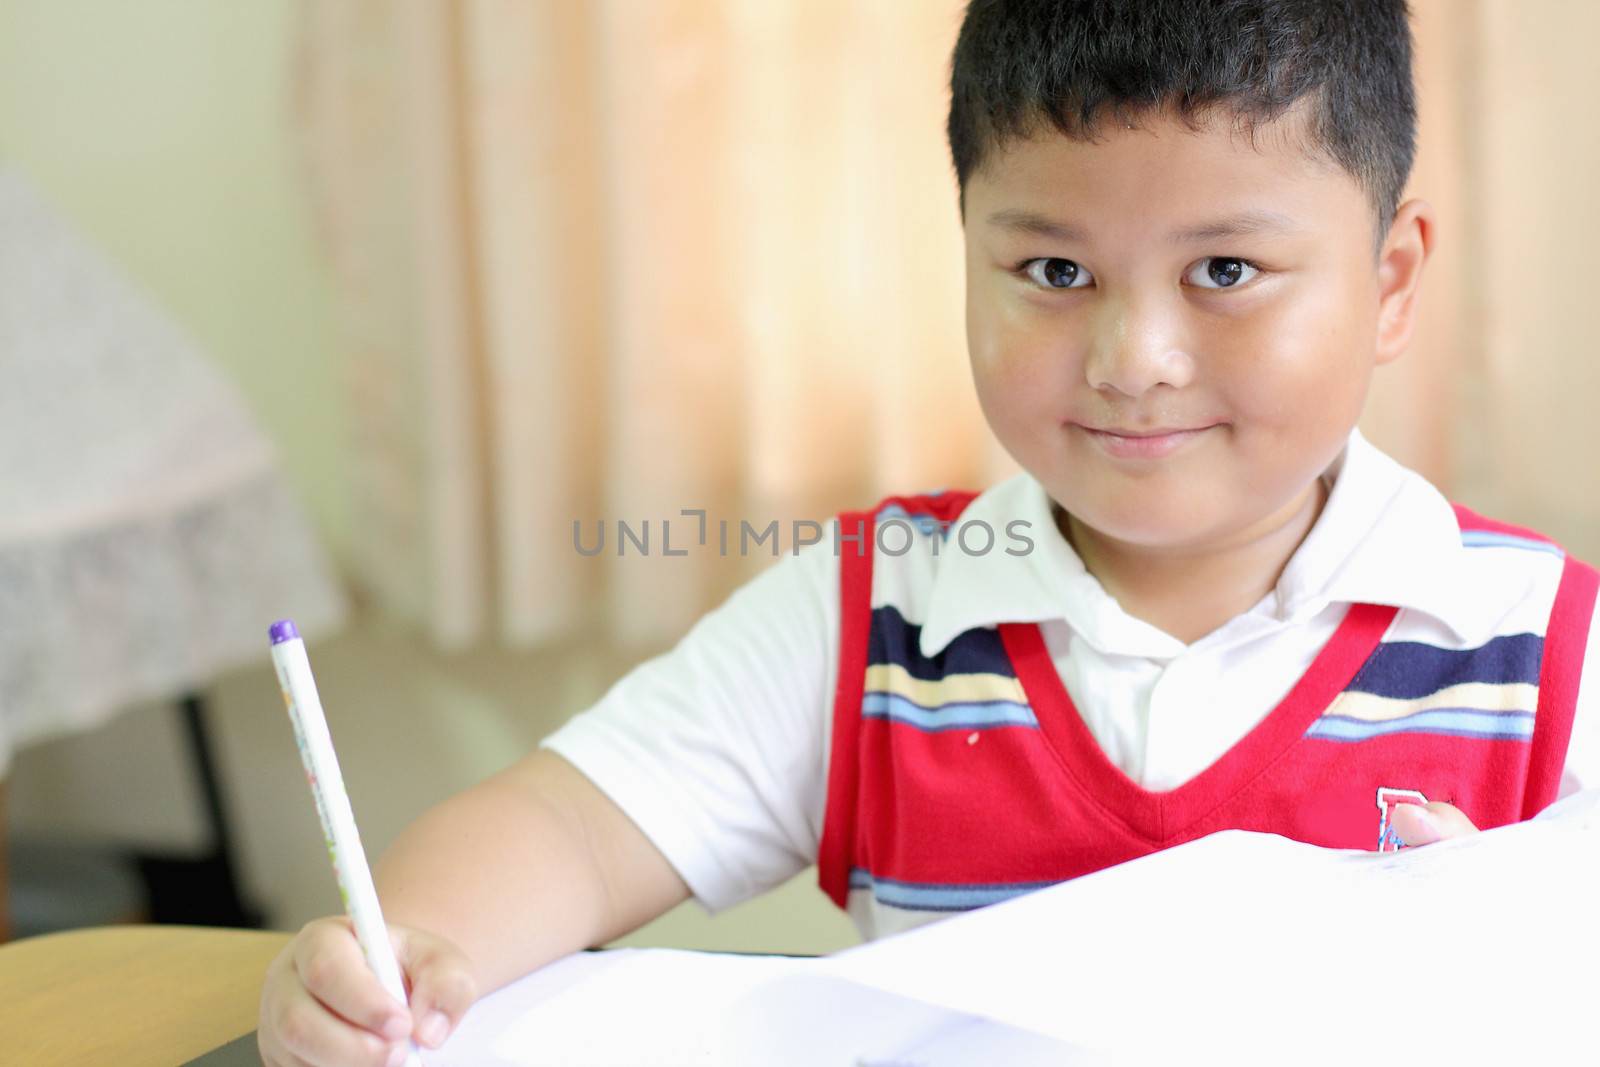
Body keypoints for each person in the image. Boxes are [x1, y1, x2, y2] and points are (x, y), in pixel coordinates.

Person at [259, 2, 1599, 1064]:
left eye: (1226, 273)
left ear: (1392, 280)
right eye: (1055, 273)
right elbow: (574, 829)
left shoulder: (1542, 650)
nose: (1135, 359)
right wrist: (413, 952)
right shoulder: (876, 614)